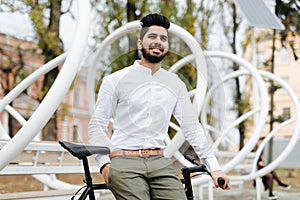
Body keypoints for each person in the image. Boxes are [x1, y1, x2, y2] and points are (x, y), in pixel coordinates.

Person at [88, 13, 230, 200]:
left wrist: (215, 167)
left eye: (163, 38)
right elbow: (96, 126)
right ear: (140, 44)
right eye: (152, 37)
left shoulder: (175, 84)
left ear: (167, 46)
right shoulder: (114, 80)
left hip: (159, 162)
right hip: (123, 161)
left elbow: (192, 127)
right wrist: (104, 164)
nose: (158, 42)